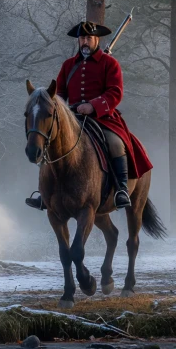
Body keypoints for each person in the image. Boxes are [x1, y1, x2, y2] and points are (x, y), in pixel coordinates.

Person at [25, 21, 153, 211]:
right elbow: (58, 95)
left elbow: (115, 92)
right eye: (82, 38)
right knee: (49, 142)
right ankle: (45, 194)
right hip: (72, 119)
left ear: (96, 40)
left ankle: (121, 190)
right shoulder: (68, 65)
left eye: (89, 38)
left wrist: (92, 106)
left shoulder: (110, 64)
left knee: (116, 143)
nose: (85, 42)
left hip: (103, 118)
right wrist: (58, 110)